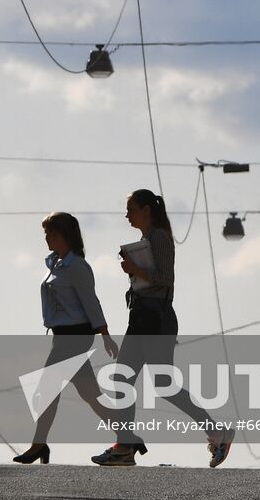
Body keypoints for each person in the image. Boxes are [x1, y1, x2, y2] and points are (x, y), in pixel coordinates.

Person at [91, 188, 234, 468]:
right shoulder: (147, 239)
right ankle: (125, 445)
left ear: (146, 210)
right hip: (143, 317)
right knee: (123, 379)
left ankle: (217, 432)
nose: (127, 214)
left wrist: (135, 268)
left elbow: (165, 278)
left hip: (156, 319)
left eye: (131, 208)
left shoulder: (159, 237)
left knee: (162, 384)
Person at [14, 211, 120, 464]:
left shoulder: (77, 266)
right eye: (46, 233)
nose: (47, 238)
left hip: (75, 335)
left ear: (64, 235)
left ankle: (38, 445)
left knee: (46, 389)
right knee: (90, 394)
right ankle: (127, 436)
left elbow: (90, 301)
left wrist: (105, 334)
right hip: (61, 336)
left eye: (51, 232)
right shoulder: (55, 264)